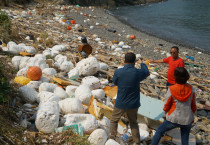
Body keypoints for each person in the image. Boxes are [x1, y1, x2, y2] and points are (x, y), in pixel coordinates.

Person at [110, 52, 150, 145]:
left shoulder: (118, 72)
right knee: (133, 123)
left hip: (121, 102)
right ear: (134, 62)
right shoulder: (137, 73)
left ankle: (112, 138)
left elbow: (115, 82)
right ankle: (137, 142)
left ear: (124, 61)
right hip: (133, 103)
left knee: (114, 120)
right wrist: (142, 63)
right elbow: (147, 72)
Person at [151, 67, 196, 145]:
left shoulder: (172, 89)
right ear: (186, 76)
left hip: (174, 118)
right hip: (187, 118)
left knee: (159, 131)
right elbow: (193, 105)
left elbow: (167, 104)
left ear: (175, 77)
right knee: (185, 137)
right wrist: (193, 117)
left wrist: (165, 114)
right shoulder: (192, 89)